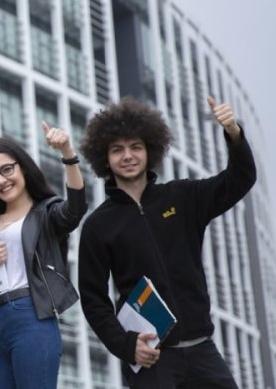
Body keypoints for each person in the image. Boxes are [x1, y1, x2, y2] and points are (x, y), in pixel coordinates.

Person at [77, 96, 256, 388]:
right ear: (104, 158)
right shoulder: (98, 225)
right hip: (152, 360)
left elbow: (240, 179)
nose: (128, 156)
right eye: (117, 149)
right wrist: (125, 344)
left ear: (150, 150)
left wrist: (234, 134)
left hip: (203, 351)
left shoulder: (183, 197)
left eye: (136, 147)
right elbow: (93, 299)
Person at [0, 127, 88, 389]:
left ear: (23, 168)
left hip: (32, 317)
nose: (1, 180)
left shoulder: (46, 212)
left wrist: (67, 152)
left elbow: (75, 210)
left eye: (7, 169)